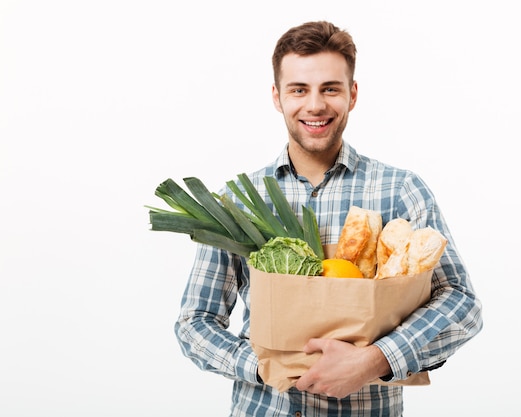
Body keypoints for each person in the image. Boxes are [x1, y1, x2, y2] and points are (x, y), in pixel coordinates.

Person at [175, 20, 483, 416]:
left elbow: (461, 303)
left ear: (352, 95)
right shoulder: (238, 201)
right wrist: (268, 366)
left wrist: (377, 359)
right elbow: (194, 322)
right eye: (299, 89)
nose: (315, 105)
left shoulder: (399, 190)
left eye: (330, 89)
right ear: (277, 96)